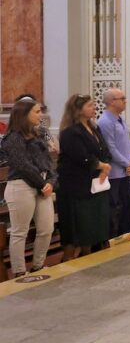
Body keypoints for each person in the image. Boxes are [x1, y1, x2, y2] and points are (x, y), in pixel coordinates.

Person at [3, 98, 57, 277]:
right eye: (36, 111)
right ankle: (20, 272)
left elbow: (48, 161)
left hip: (42, 185)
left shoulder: (40, 132)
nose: (40, 115)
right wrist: (43, 184)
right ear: (24, 114)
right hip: (22, 185)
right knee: (20, 231)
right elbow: (22, 164)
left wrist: (51, 181)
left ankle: (38, 266)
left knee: (46, 228)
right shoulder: (12, 137)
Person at [57, 94, 112, 260]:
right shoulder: (70, 133)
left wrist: (105, 166)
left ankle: (90, 256)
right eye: (89, 105)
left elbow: (105, 151)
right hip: (76, 186)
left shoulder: (94, 128)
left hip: (95, 183)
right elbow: (81, 156)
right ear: (78, 110)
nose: (94, 108)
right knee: (80, 227)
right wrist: (101, 166)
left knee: (93, 226)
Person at [97, 89, 130, 238]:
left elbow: (127, 142)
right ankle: (114, 237)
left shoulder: (120, 119)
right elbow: (110, 147)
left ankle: (127, 233)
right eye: (123, 98)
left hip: (125, 171)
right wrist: (127, 163)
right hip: (114, 173)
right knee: (115, 206)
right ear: (112, 102)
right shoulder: (105, 121)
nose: (125, 101)